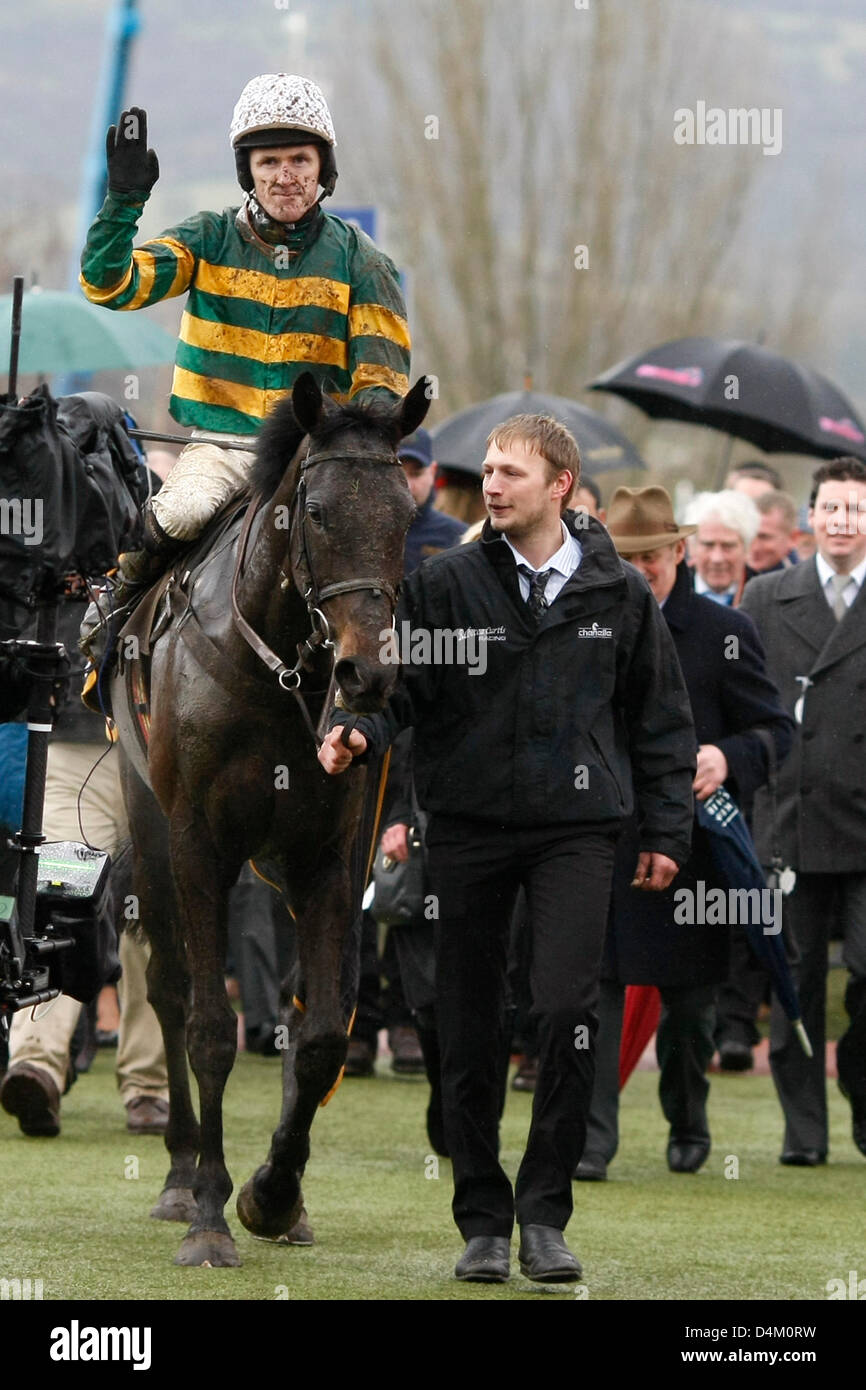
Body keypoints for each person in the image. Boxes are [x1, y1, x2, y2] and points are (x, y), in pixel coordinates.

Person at [318, 414, 696, 1284]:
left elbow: (661, 722)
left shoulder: (619, 592)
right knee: (463, 1023)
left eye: (510, 472)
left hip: (578, 831)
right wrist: (354, 731)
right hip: (470, 828)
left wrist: (667, 833)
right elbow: (392, 691)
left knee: (565, 1011)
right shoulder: (445, 584)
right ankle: (482, 1220)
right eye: (485, 471)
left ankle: (544, 1217)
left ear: (560, 483)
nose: (489, 484)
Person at [79, 73, 410, 606]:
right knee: (179, 513)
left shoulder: (365, 263)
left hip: (317, 456)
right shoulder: (207, 237)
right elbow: (109, 285)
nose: (285, 176)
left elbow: (381, 391)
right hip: (221, 448)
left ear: (323, 168)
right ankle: (111, 619)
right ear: (247, 172)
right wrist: (122, 202)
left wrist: (348, 451)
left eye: (300, 160)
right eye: (268, 162)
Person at [576, 487, 793, 1180]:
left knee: (690, 1015)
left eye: (653, 555)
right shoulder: (585, 625)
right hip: (605, 841)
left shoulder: (723, 632)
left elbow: (776, 731)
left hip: (692, 852)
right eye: (627, 556)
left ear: (680, 552)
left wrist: (727, 757)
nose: (642, 569)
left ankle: (689, 1120)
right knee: (598, 999)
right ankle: (592, 1141)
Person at [0, 593, 169, 1137]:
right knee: (57, 903)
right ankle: (36, 1067)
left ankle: (150, 1085)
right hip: (76, 744)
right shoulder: (57, 522)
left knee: (157, 920)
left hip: (166, 748)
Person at [740, 456, 866, 1165]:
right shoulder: (765, 599)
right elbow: (742, 702)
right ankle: (804, 1131)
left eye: (857, 509)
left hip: (864, 825)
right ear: (811, 518)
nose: (843, 521)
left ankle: (861, 1085)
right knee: (795, 987)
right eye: (833, 508)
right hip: (788, 820)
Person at [684, 489, 760, 606]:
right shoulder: (668, 590)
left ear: (747, 548)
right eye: (708, 545)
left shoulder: (764, 596)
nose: (717, 558)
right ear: (691, 547)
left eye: (728, 546)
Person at [749, 491, 800, 573]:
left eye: (764, 537)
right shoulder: (731, 576)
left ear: (793, 538)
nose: (754, 547)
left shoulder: (803, 583)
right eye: (750, 535)